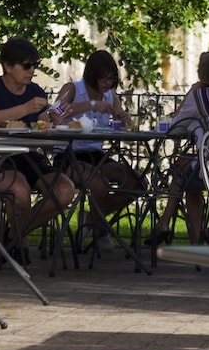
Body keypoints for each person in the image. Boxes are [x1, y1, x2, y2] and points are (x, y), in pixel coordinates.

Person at [0, 37, 78, 264]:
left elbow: (42, 128)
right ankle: (20, 245)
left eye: (34, 65)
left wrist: (55, 121)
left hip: (27, 156)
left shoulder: (35, 91)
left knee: (64, 190)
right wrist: (23, 109)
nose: (32, 70)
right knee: (19, 190)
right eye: (27, 65)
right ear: (8, 66)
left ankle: (13, 235)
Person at [146, 51, 209, 246]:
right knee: (184, 166)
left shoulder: (199, 96)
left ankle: (187, 237)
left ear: (202, 73)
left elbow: (174, 128)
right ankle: (165, 224)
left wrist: (190, 93)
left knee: (186, 180)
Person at [50, 50, 143, 253]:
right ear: (93, 75)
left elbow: (126, 124)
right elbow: (54, 112)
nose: (108, 83)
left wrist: (122, 115)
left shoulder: (110, 96)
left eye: (111, 78)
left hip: (96, 154)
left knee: (137, 183)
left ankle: (92, 220)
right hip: (69, 154)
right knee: (100, 185)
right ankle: (100, 230)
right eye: (104, 78)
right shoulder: (73, 89)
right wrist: (91, 105)